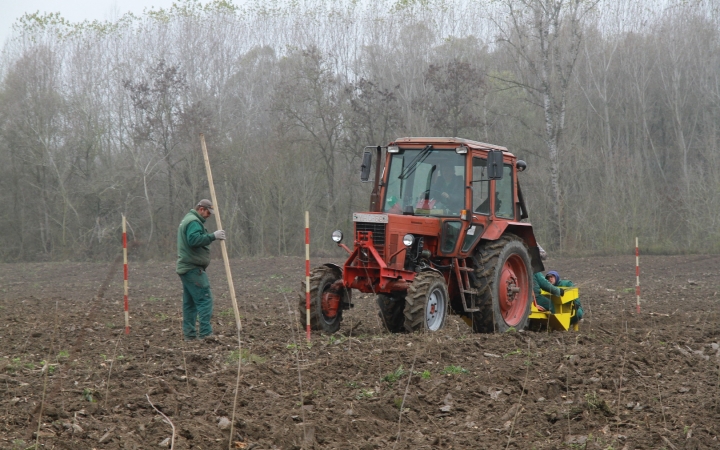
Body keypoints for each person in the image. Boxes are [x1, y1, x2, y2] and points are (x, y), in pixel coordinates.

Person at [176, 199, 226, 341]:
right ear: (201, 209)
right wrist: (213, 236)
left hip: (186, 268)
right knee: (205, 300)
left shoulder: (188, 219)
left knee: (190, 303)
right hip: (192, 268)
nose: (209, 215)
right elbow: (193, 240)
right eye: (208, 212)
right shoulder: (193, 222)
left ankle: (190, 336)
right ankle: (206, 334)